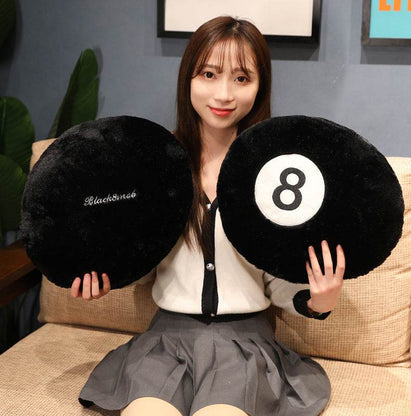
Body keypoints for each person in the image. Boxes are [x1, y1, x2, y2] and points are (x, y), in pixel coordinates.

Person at [71, 16, 345, 416]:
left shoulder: (273, 176)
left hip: (244, 348)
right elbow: (141, 260)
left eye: (241, 78)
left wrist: (319, 300)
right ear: (188, 79)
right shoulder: (156, 167)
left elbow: (279, 275)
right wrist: (106, 275)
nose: (223, 93)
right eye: (209, 74)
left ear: (260, 86)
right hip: (164, 344)